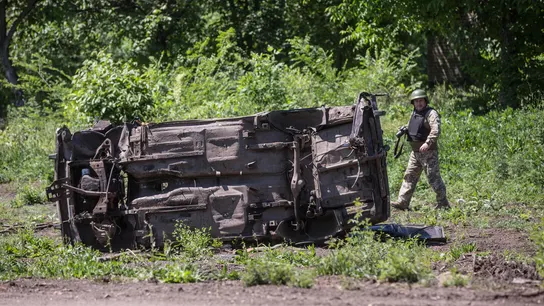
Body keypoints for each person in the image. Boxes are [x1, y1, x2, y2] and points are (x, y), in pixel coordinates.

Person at [391, 89, 451, 210]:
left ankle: (443, 204)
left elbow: (436, 130)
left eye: (421, 101)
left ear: (425, 101)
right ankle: (403, 202)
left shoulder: (431, 113)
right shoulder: (414, 113)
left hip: (428, 153)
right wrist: (405, 128)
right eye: (416, 101)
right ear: (413, 103)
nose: (419, 103)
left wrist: (428, 143)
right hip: (415, 153)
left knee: (434, 178)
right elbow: (414, 126)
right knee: (409, 176)